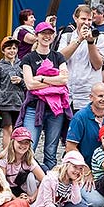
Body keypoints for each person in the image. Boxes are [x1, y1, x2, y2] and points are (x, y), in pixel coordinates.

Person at [19, 21, 70, 171]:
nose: (47, 37)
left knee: (51, 150)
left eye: (49, 34)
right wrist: (54, 84)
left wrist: (40, 78)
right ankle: (28, 177)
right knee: (29, 146)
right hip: (34, 108)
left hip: (55, 110)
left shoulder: (58, 57)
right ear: (37, 36)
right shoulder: (28, 58)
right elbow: (29, 84)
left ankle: (49, 181)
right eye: (43, 34)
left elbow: (64, 80)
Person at [65, 82, 104, 207]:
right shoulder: (80, 117)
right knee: (98, 202)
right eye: (100, 96)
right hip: (84, 168)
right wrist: (86, 171)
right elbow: (70, 147)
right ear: (91, 97)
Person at [57, 4, 104, 110]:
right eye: (83, 19)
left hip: (88, 95)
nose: (86, 23)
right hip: (67, 94)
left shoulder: (100, 38)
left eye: (89, 20)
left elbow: (98, 65)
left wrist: (90, 42)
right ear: (75, 18)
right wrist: (79, 40)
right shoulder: (67, 37)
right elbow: (60, 58)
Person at [31, 151, 96, 207]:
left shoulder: (74, 179)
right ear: (67, 165)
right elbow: (48, 204)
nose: (77, 171)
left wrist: (75, 183)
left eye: (80, 168)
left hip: (63, 206)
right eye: (74, 167)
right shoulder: (50, 179)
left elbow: (76, 201)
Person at [0, 35, 26, 148]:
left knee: (17, 130)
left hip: (19, 102)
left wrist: (21, 81)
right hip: (4, 104)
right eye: (9, 48)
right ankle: (6, 155)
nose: (12, 51)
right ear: (3, 50)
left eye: (14, 48)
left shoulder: (22, 64)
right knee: (7, 129)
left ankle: (15, 152)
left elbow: (27, 85)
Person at [0, 126, 45, 201]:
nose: (23, 145)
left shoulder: (29, 159)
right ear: (12, 141)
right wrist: (16, 200)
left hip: (22, 188)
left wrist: (33, 197)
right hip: (7, 190)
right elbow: (2, 185)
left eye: (26, 143)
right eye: (20, 142)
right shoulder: (3, 159)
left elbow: (45, 180)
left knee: (33, 176)